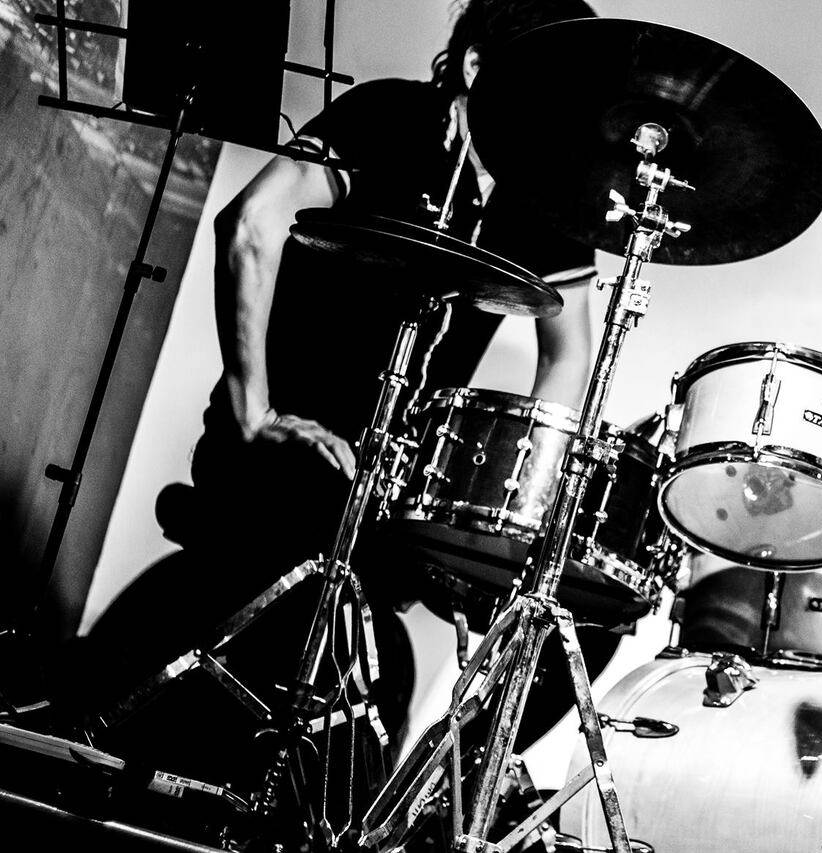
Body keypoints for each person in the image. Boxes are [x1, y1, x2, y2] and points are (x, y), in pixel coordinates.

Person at [72, 1, 610, 828]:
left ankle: (387, 810)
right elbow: (251, 223)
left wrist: (518, 496)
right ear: (475, 67)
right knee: (295, 593)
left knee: (569, 605)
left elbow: (570, 352)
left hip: (389, 493)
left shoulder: (543, 195)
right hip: (285, 466)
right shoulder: (390, 115)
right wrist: (254, 410)